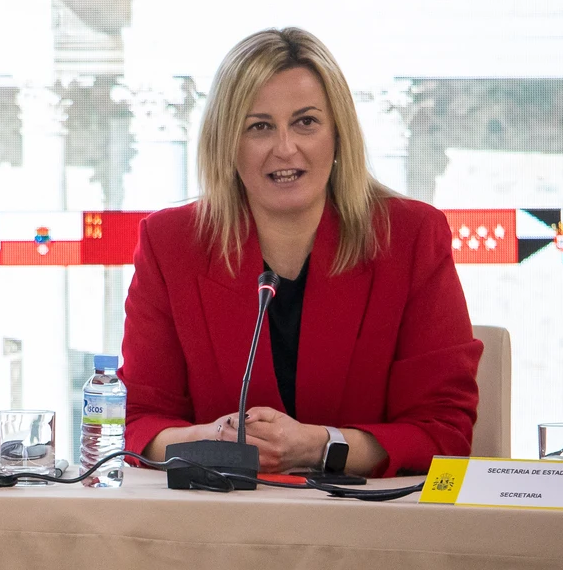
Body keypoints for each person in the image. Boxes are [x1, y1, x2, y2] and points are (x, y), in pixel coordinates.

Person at [121, 27, 481, 477]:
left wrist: (319, 445)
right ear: (227, 143)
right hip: (216, 525)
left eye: (306, 122)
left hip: (369, 527)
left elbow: (443, 431)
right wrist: (211, 440)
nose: (285, 148)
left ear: (337, 135)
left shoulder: (409, 236)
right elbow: (136, 421)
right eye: (259, 127)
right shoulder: (171, 242)